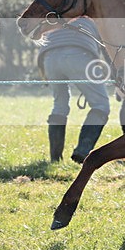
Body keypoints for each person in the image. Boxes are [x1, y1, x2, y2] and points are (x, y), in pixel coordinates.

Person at [36, 17, 110, 163]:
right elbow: (107, 49)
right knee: (101, 105)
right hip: (79, 53)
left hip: (48, 57)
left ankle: (55, 158)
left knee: (60, 105)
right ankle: (82, 152)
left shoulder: (63, 13)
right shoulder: (96, 17)